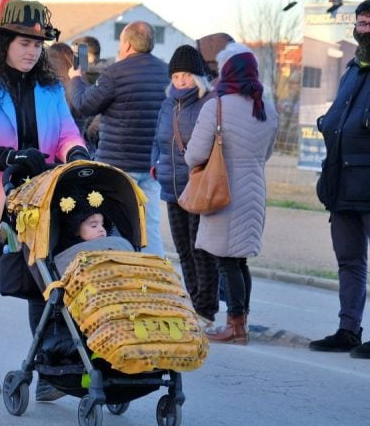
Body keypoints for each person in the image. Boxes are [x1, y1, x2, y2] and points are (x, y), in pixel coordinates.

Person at [0, 0, 88, 394]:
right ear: (4, 43)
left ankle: (46, 370)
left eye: (38, 45)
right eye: (24, 43)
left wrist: (76, 152)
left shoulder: (50, 88)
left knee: (42, 288)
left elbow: (66, 133)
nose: (32, 51)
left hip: (38, 202)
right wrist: (7, 156)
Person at [183, 43, 278, 344]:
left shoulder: (217, 106)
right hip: (254, 190)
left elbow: (195, 154)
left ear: (227, 71)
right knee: (239, 261)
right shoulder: (267, 108)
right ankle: (241, 322)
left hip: (223, 189)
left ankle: (235, 326)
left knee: (226, 261)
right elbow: (267, 154)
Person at [69, 21, 168, 256]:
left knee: (114, 222)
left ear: (127, 44)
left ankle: (119, 268)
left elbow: (84, 105)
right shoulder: (166, 72)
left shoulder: (115, 73)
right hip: (152, 165)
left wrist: (75, 79)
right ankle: (155, 271)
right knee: (150, 224)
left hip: (118, 166)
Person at [311, 0, 370, 356]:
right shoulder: (352, 71)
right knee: (349, 261)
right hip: (343, 183)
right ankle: (349, 329)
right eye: (361, 23)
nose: (364, 29)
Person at [151, 45, 218, 328]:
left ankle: (206, 309)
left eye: (186, 75)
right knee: (183, 249)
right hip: (172, 186)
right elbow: (158, 138)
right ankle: (193, 302)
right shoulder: (168, 103)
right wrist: (154, 162)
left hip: (197, 185)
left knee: (200, 249)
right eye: (176, 76)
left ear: (198, 77)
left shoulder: (209, 102)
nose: (180, 81)